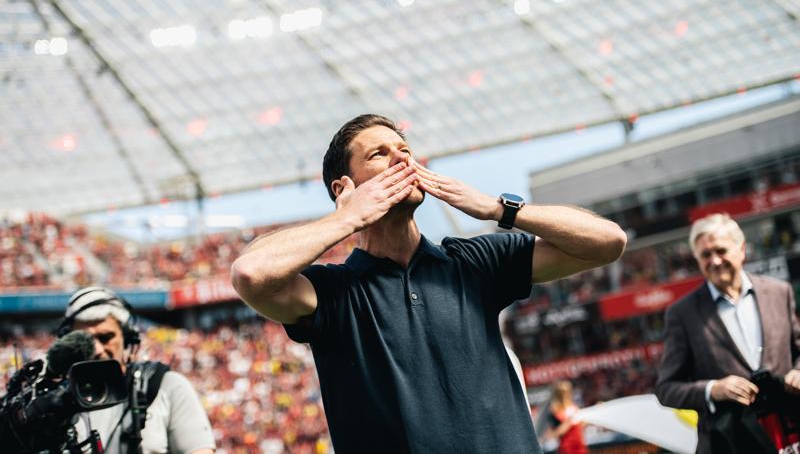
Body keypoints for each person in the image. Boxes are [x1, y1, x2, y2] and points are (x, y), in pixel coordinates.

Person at [232, 114, 627, 453]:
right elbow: (251, 274)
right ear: (343, 189)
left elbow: (608, 242)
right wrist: (346, 218)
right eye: (378, 154)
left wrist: (497, 208)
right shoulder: (333, 292)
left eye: (404, 149)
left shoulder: (474, 262)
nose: (401, 158)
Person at [655, 213, 800, 454]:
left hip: (790, 431)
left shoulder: (779, 292)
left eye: (721, 251)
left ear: (741, 249)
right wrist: (714, 389)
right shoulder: (681, 314)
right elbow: (666, 389)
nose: (714, 260)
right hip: (732, 441)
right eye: (705, 255)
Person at [62, 286, 216, 454]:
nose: (97, 349)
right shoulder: (56, 401)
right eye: (84, 340)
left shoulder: (167, 386)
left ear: (127, 338)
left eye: (105, 337)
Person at [546, 381, 587, 454]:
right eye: (563, 393)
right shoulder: (554, 411)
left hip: (579, 446)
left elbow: (581, 426)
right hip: (567, 448)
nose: (567, 395)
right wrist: (567, 423)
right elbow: (553, 434)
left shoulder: (574, 407)